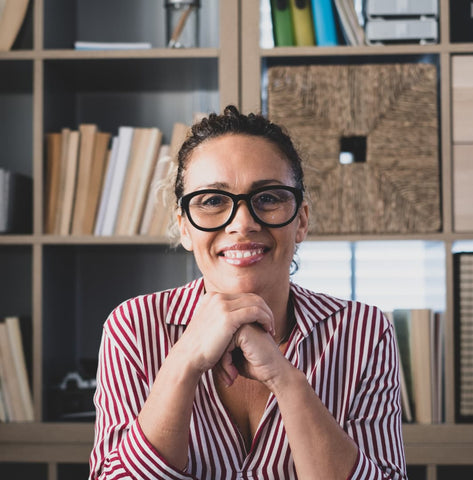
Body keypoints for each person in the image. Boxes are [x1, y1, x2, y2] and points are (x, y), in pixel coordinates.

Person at [89, 105, 407, 479]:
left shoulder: (363, 332)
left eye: (269, 198)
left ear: (301, 220)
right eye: (212, 201)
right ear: (185, 228)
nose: (243, 223)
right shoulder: (133, 327)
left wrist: (287, 381)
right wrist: (184, 361)